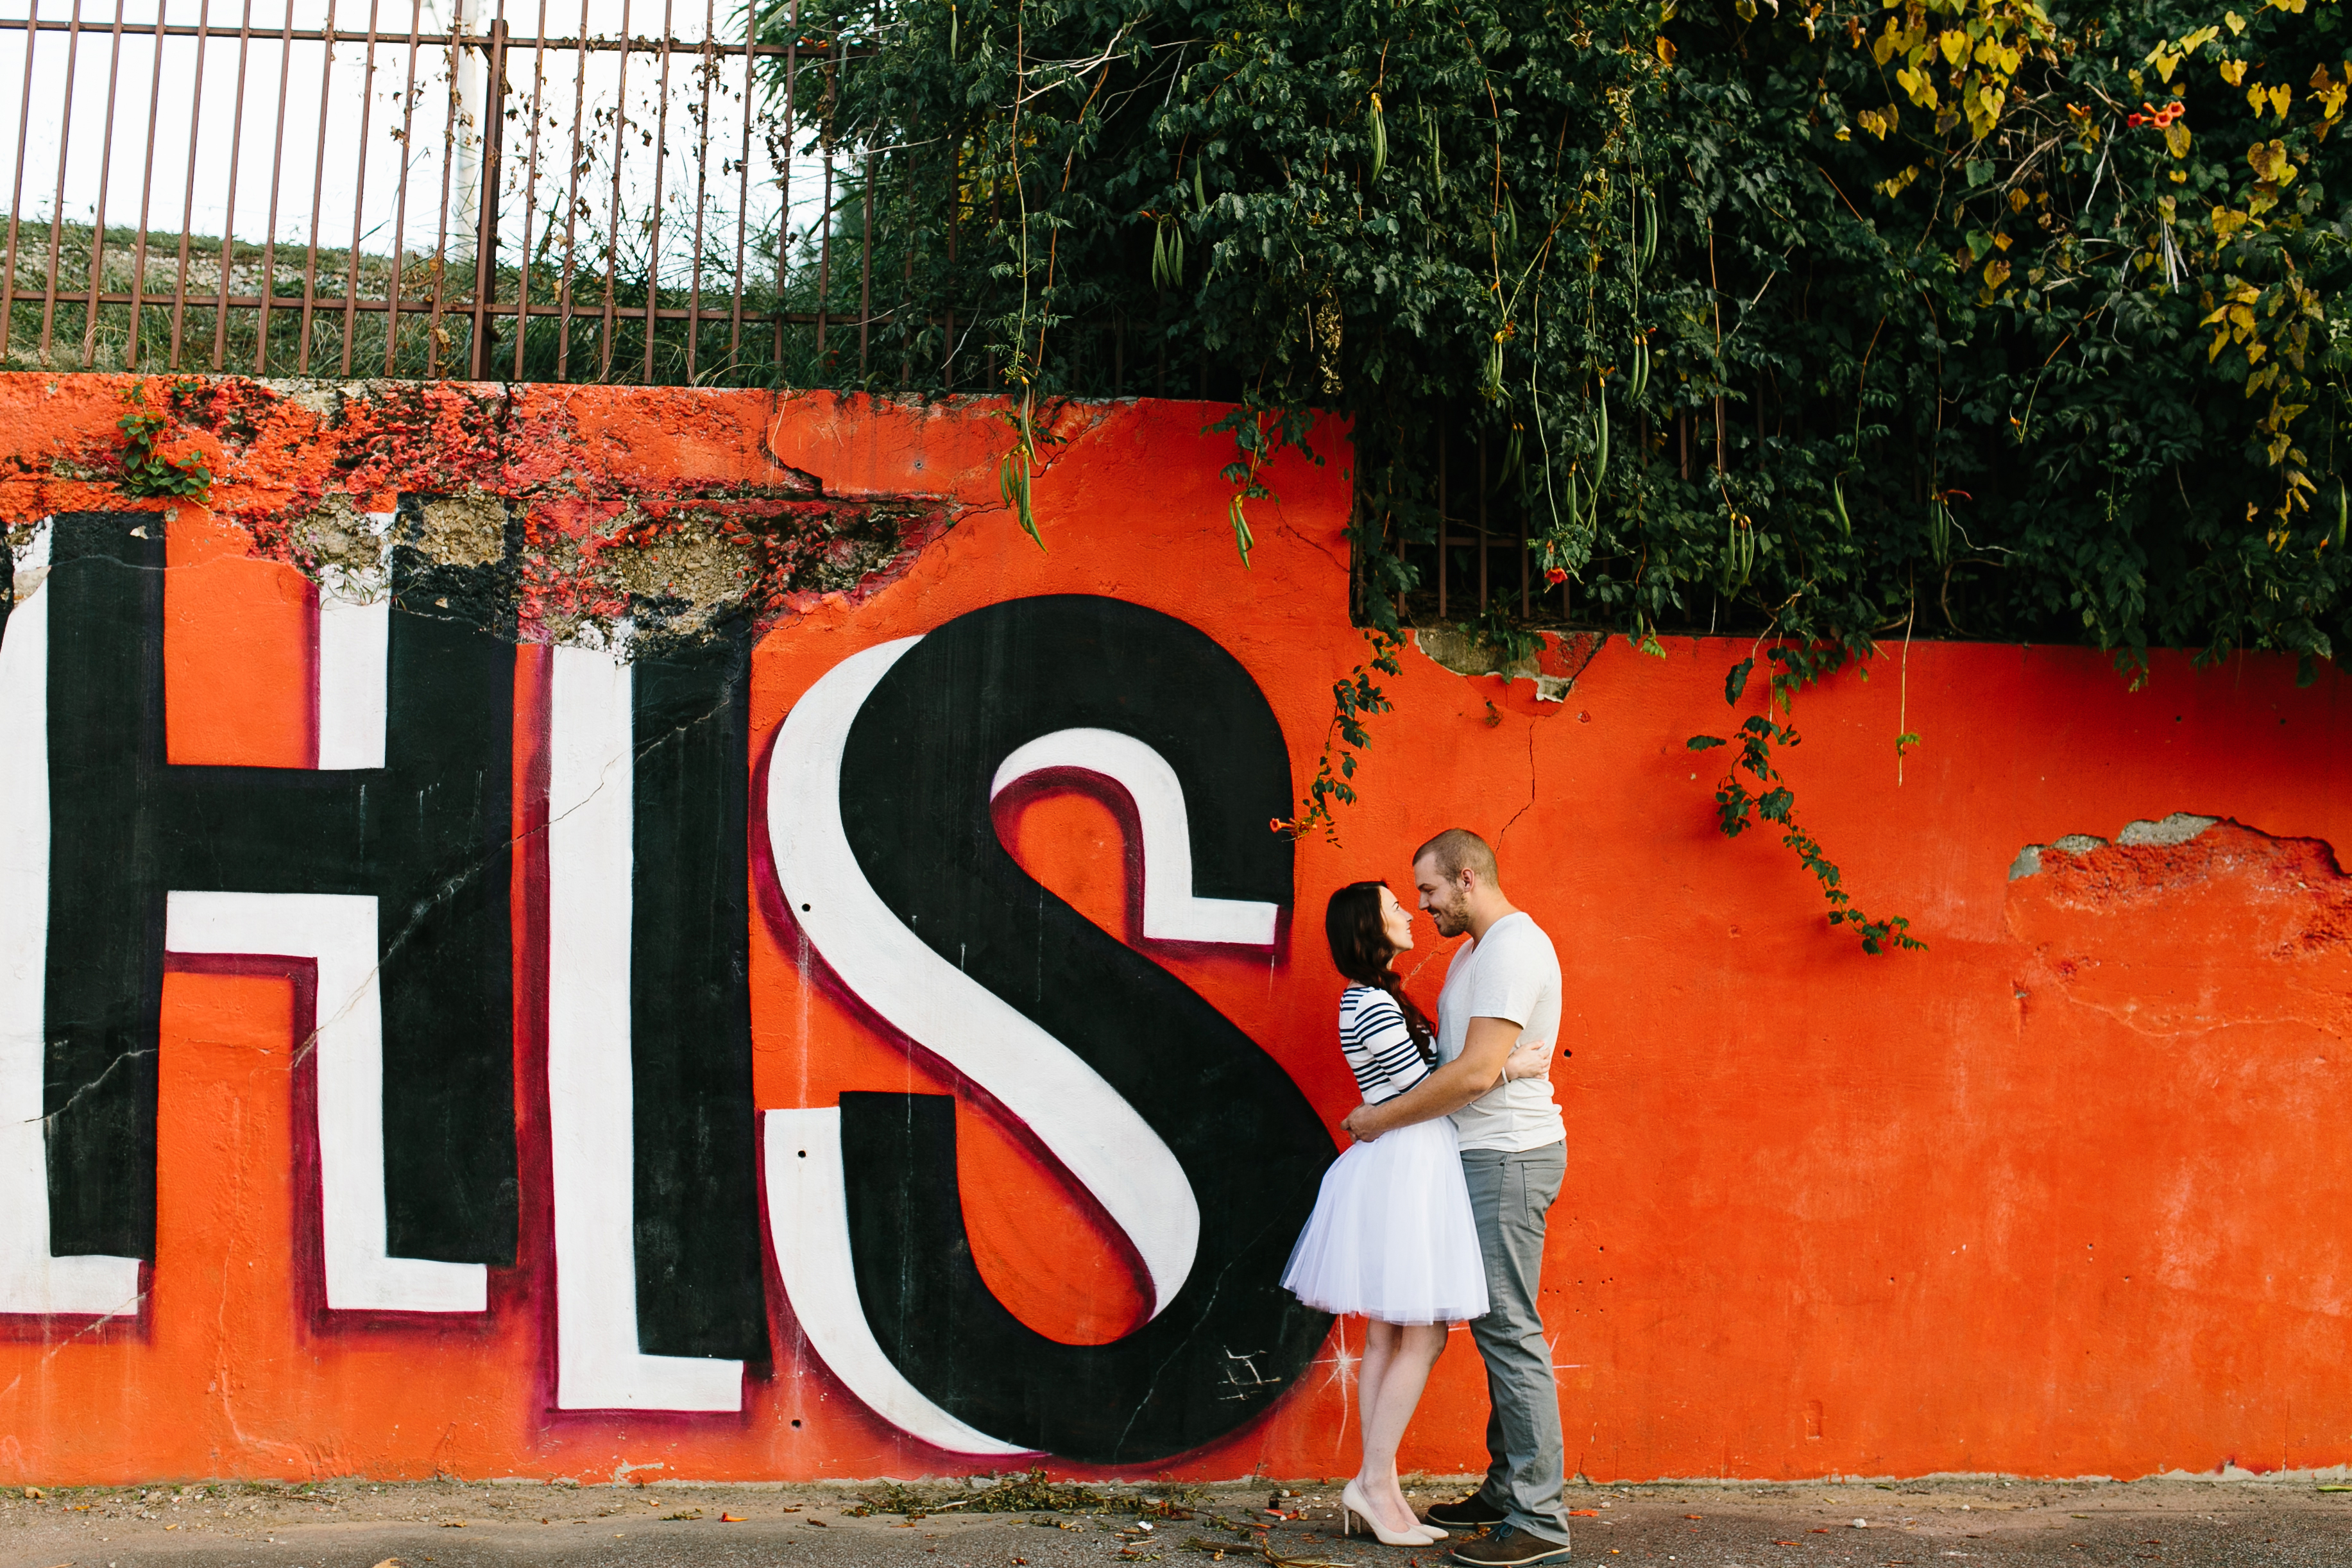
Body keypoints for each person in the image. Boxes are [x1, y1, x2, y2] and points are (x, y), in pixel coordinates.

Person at [1283, 880, 1553, 1548]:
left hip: (1406, 1163)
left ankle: (1380, 1484)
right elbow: (1428, 1090)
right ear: (1368, 927)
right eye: (1394, 906)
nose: (1411, 911)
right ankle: (1374, 1483)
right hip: (1411, 1164)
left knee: (1385, 1336)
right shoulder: (1372, 1001)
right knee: (1423, 1335)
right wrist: (1511, 1067)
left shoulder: (1374, 996)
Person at [1340, 830, 1571, 1568]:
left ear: (1467, 879)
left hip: (1507, 1155)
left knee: (1509, 1329)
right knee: (1496, 1326)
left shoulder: (1511, 948)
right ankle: (1507, 1490)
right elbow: (1450, 1064)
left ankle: (1539, 1516)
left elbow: (1472, 1073)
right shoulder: (1475, 953)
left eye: (1431, 891)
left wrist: (1376, 1119)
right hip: (1472, 1156)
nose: (1423, 905)